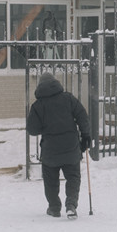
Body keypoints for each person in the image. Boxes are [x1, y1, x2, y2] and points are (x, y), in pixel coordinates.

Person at [26, 73, 91, 219]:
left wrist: (44, 126)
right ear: (56, 83)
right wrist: (85, 135)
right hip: (71, 147)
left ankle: (54, 208)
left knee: (50, 181)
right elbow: (82, 116)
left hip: (50, 150)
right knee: (73, 177)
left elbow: (32, 130)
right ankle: (71, 205)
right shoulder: (68, 99)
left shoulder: (38, 106)